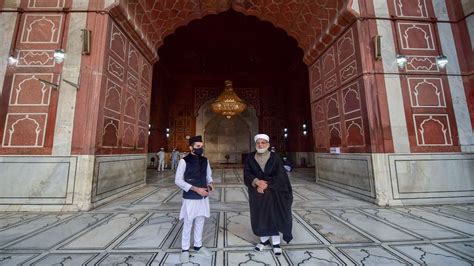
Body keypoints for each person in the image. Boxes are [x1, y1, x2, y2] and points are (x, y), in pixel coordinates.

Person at [244, 134, 293, 256]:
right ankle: (263, 241)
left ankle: (276, 243)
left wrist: (267, 185)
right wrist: (257, 182)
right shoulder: (250, 157)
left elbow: (280, 175)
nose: (260, 144)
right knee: (260, 215)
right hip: (257, 193)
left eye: (263, 142)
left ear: (268, 145)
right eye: (258, 143)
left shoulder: (275, 157)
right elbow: (247, 173)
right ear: (256, 144)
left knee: (273, 215)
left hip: (273, 192)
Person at [175, 135, 214, 263]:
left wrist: (210, 183)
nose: (200, 149)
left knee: (200, 221)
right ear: (191, 147)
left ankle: (198, 245)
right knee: (188, 222)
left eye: (201, 147)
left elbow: (208, 174)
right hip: (191, 197)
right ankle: (185, 249)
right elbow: (178, 181)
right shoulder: (184, 161)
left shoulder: (205, 160)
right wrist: (196, 189)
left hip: (203, 196)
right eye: (197, 147)